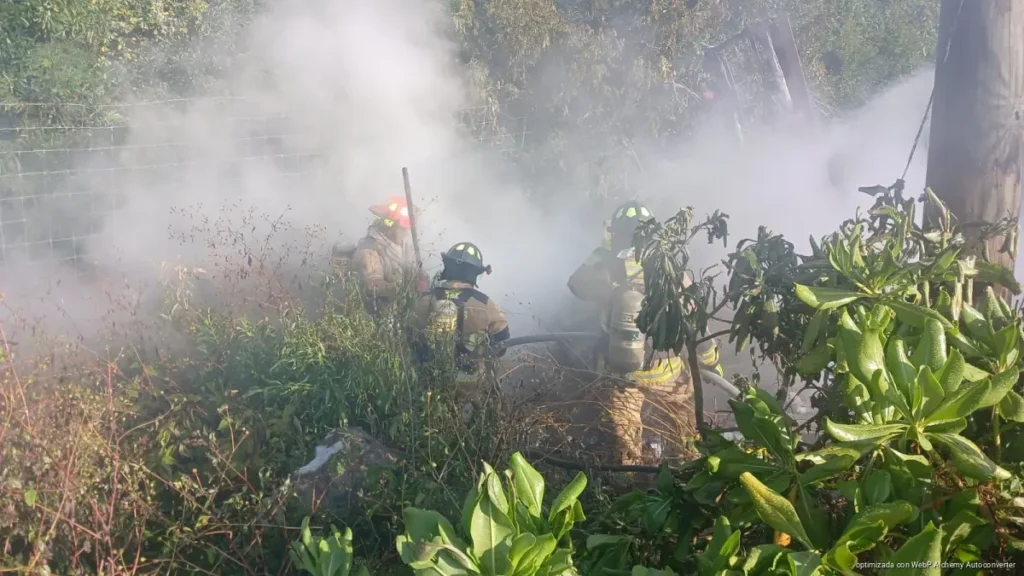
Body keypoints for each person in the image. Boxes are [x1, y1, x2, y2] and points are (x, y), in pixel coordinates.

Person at [567, 200, 724, 465]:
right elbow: (696, 323)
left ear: (616, 232)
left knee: (624, 449)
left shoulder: (606, 267)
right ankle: (688, 481)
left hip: (622, 375)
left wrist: (604, 250)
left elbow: (576, 285)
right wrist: (712, 364)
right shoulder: (669, 267)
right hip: (669, 374)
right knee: (686, 441)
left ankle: (625, 491)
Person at [412, 242, 510, 415]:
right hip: (470, 382)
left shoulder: (425, 300)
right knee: (474, 423)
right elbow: (502, 342)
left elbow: (410, 338)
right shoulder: (485, 304)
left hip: (430, 379)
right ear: (474, 273)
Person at [331, 196, 428, 315]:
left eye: (407, 229)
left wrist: (422, 279)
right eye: (402, 229)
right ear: (389, 226)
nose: (406, 233)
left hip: (400, 306)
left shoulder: (402, 246)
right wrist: (405, 288)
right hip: (374, 312)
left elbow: (413, 271)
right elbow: (373, 286)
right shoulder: (370, 250)